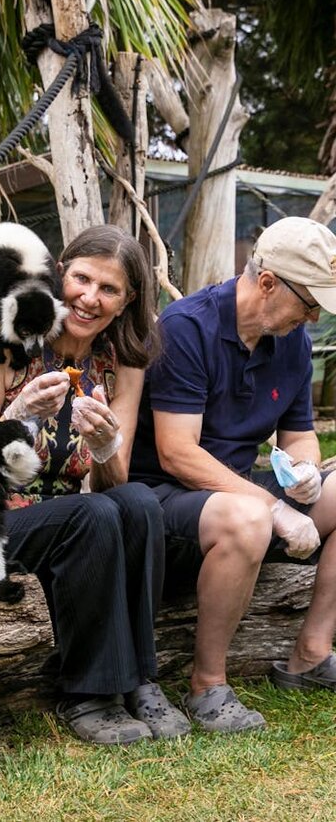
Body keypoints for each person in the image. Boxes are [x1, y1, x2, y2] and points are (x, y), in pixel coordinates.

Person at [0, 223, 191, 744]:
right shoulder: (4, 338)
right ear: (60, 274)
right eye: (82, 279)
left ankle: (141, 681)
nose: (90, 298)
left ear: (128, 301)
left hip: (68, 519)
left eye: (109, 289)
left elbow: (115, 481)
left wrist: (106, 445)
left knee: (137, 502)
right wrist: (16, 414)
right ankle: (88, 693)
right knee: (91, 514)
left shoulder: (121, 361)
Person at [130, 215, 336, 733]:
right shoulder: (185, 328)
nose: (312, 318)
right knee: (249, 517)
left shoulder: (289, 340)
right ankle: (208, 685)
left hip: (235, 490)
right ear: (267, 283)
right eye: (309, 303)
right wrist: (275, 509)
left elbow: (299, 435)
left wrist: (307, 470)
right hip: (163, 495)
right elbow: (178, 453)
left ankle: (310, 654)